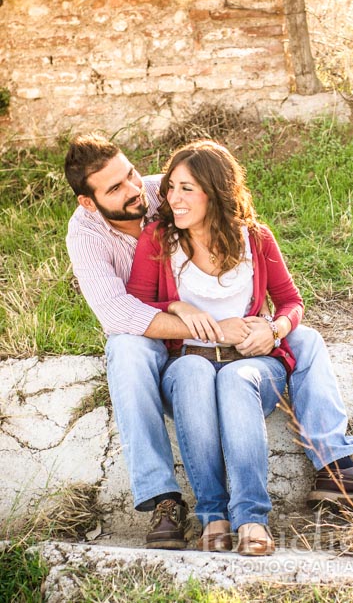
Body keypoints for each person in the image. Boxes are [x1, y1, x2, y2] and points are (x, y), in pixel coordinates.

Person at [64, 132, 353, 551]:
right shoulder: (91, 233)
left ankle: (336, 465)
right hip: (154, 333)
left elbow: (281, 290)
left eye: (133, 175)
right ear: (89, 201)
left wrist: (272, 328)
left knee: (305, 340)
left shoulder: (168, 191)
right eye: (116, 188)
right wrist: (186, 314)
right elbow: (122, 312)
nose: (139, 190)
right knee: (128, 348)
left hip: (242, 343)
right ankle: (163, 499)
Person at [126, 139, 305, 555]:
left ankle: (251, 519)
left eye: (187, 188)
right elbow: (133, 306)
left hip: (253, 363)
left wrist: (275, 329)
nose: (173, 199)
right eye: (171, 187)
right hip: (188, 363)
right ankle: (214, 517)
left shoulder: (256, 239)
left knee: (236, 380)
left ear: (215, 190)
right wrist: (176, 304)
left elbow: (292, 302)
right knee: (192, 372)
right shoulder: (159, 239)